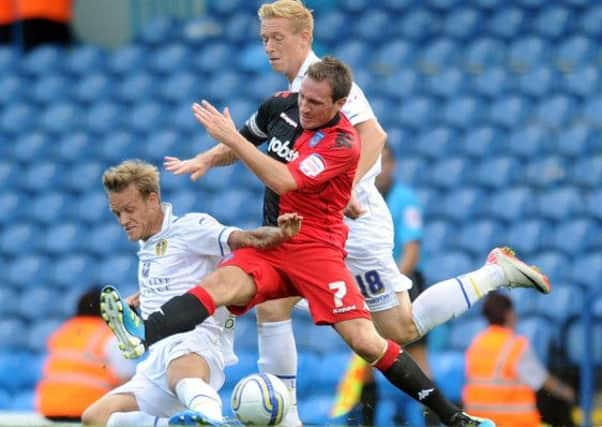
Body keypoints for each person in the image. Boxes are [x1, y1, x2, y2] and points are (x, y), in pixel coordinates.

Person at [164, 1, 551, 425]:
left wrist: (341, 190)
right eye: (264, 39)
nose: (269, 47)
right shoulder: (290, 92)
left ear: (304, 38)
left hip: (352, 226)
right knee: (290, 310)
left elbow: (375, 135)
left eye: (277, 38)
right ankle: (286, 417)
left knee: (397, 329)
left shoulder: (322, 81)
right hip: (314, 228)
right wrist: (204, 158)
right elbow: (248, 138)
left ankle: (494, 272)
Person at [104, 57, 494, 427]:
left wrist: (232, 142)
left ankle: (453, 416)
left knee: (367, 340)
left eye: (316, 102)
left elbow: (284, 180)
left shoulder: (343, 144)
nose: (304, 106)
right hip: (277, 242)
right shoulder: (282, 106)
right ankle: (145, 333)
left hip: (318, 249)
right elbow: (240, 141)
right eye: (303, 95)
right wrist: (209, 156)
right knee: (220, 285)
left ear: (340, 104)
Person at [81, 159, 303, 427]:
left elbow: (246, 239)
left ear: (152, 200)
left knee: (183, 376)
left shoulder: (189, 227)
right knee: (96, 418)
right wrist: (143, 297)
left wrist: (281, 234)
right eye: (117, 214)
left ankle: (209, 419)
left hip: (195, 339)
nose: (124, 220)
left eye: (129, 210)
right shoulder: (148, 244)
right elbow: (176, 277)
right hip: (157, 358)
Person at [463, 292, 575, 427]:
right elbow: (542, 381)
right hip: (512, 422)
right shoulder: (515, 346)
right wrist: (567, 393)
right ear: (508, 314)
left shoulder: (477, 343)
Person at [35, 287, 136, 422]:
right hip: (88, 410)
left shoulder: (63, 332)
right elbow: (126, 378)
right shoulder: (107, 335)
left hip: (49, 409)